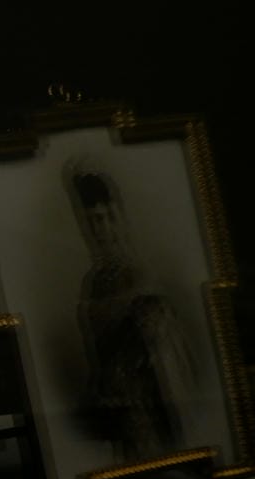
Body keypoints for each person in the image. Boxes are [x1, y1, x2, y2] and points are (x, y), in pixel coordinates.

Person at [65, 164, 198, 462]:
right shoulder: (95, 280)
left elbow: (159, 343)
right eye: (92, 222)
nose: (100, 231)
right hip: (116, 400)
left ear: (117, 217)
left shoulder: (138, 273)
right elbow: (97, 342)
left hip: (147, 400)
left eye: (105, 219)